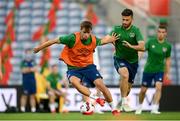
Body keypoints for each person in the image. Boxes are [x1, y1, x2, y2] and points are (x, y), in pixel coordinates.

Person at [33, 20, 120, 115]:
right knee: (75, 83)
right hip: (73, 68)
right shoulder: (72, 38)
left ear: (91, 32)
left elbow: (103, 41)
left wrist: (112, 39)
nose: (86, 35)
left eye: (88, 33)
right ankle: (97, 99)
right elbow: (54, 40)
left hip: (88, 67)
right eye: (84, 32)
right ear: (80, 30)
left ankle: (113, 108)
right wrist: (39, 48)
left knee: (101, 85)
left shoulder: (93, 40)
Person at [104, 8, 145, 112]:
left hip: (133, 62)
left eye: (127, 20)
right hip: (119, 58)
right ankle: (125, 102)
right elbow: (106, 38)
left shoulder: (136, 31)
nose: (124, 22)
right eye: (123, 19)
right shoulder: (117, 29)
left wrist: (131, 46)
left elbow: (142, 47)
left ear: (132, 19)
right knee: (124, 74)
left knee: (128, 89)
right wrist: (106, 41)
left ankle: (120, 103)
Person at [135, 25, 171, 114]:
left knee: (158, 87)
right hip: (148, 70)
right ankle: (139, 107)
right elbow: (142, 50)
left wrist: (167, 72)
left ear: (166, 33)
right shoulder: (151, 42)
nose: (161, 34)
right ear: (157, 32)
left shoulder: (168, 46)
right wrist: (138, 58)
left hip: (159, 70)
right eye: (159, 32)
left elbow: (168, 59)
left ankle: (154, 108)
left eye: (163, 32)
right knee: (143, 90)